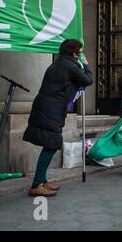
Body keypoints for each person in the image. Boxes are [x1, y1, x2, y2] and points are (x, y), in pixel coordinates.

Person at [23, 39, 93, 197]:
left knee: (51, 143)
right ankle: (36, 185)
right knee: (51, 144)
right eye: (80, 53)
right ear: (74, 53)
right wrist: (86, 65)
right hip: (50, 109)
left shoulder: (60, 63)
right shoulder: (69, 65)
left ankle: (42, 180)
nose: (82, 55)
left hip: (49, 107)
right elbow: (88, 80)